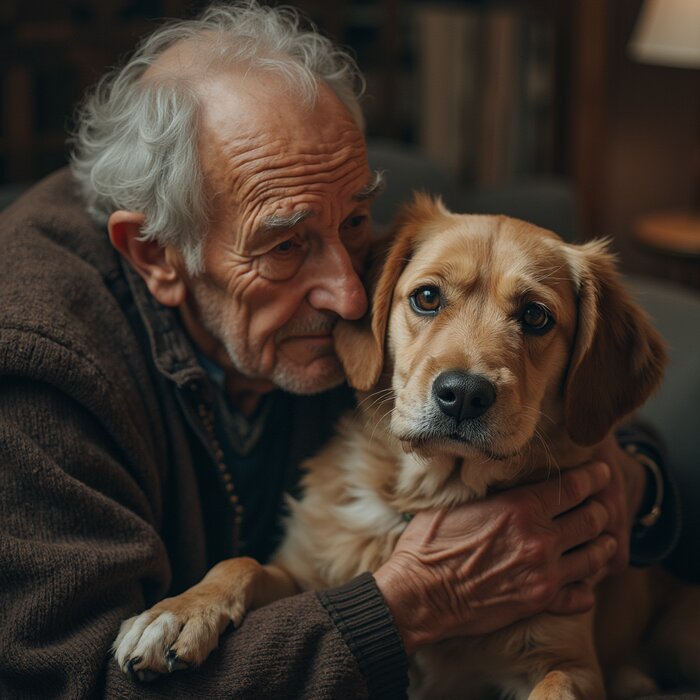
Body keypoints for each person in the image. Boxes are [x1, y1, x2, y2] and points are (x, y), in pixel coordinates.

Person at [0, 2, 679, 698]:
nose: (351, 296)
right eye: (288, 244)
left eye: (355, 219)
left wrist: (641, 489)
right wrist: (411, 601)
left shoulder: (358, 262)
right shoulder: (35, 370)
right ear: (158, 254)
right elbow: (85, 684)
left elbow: (591, 401)